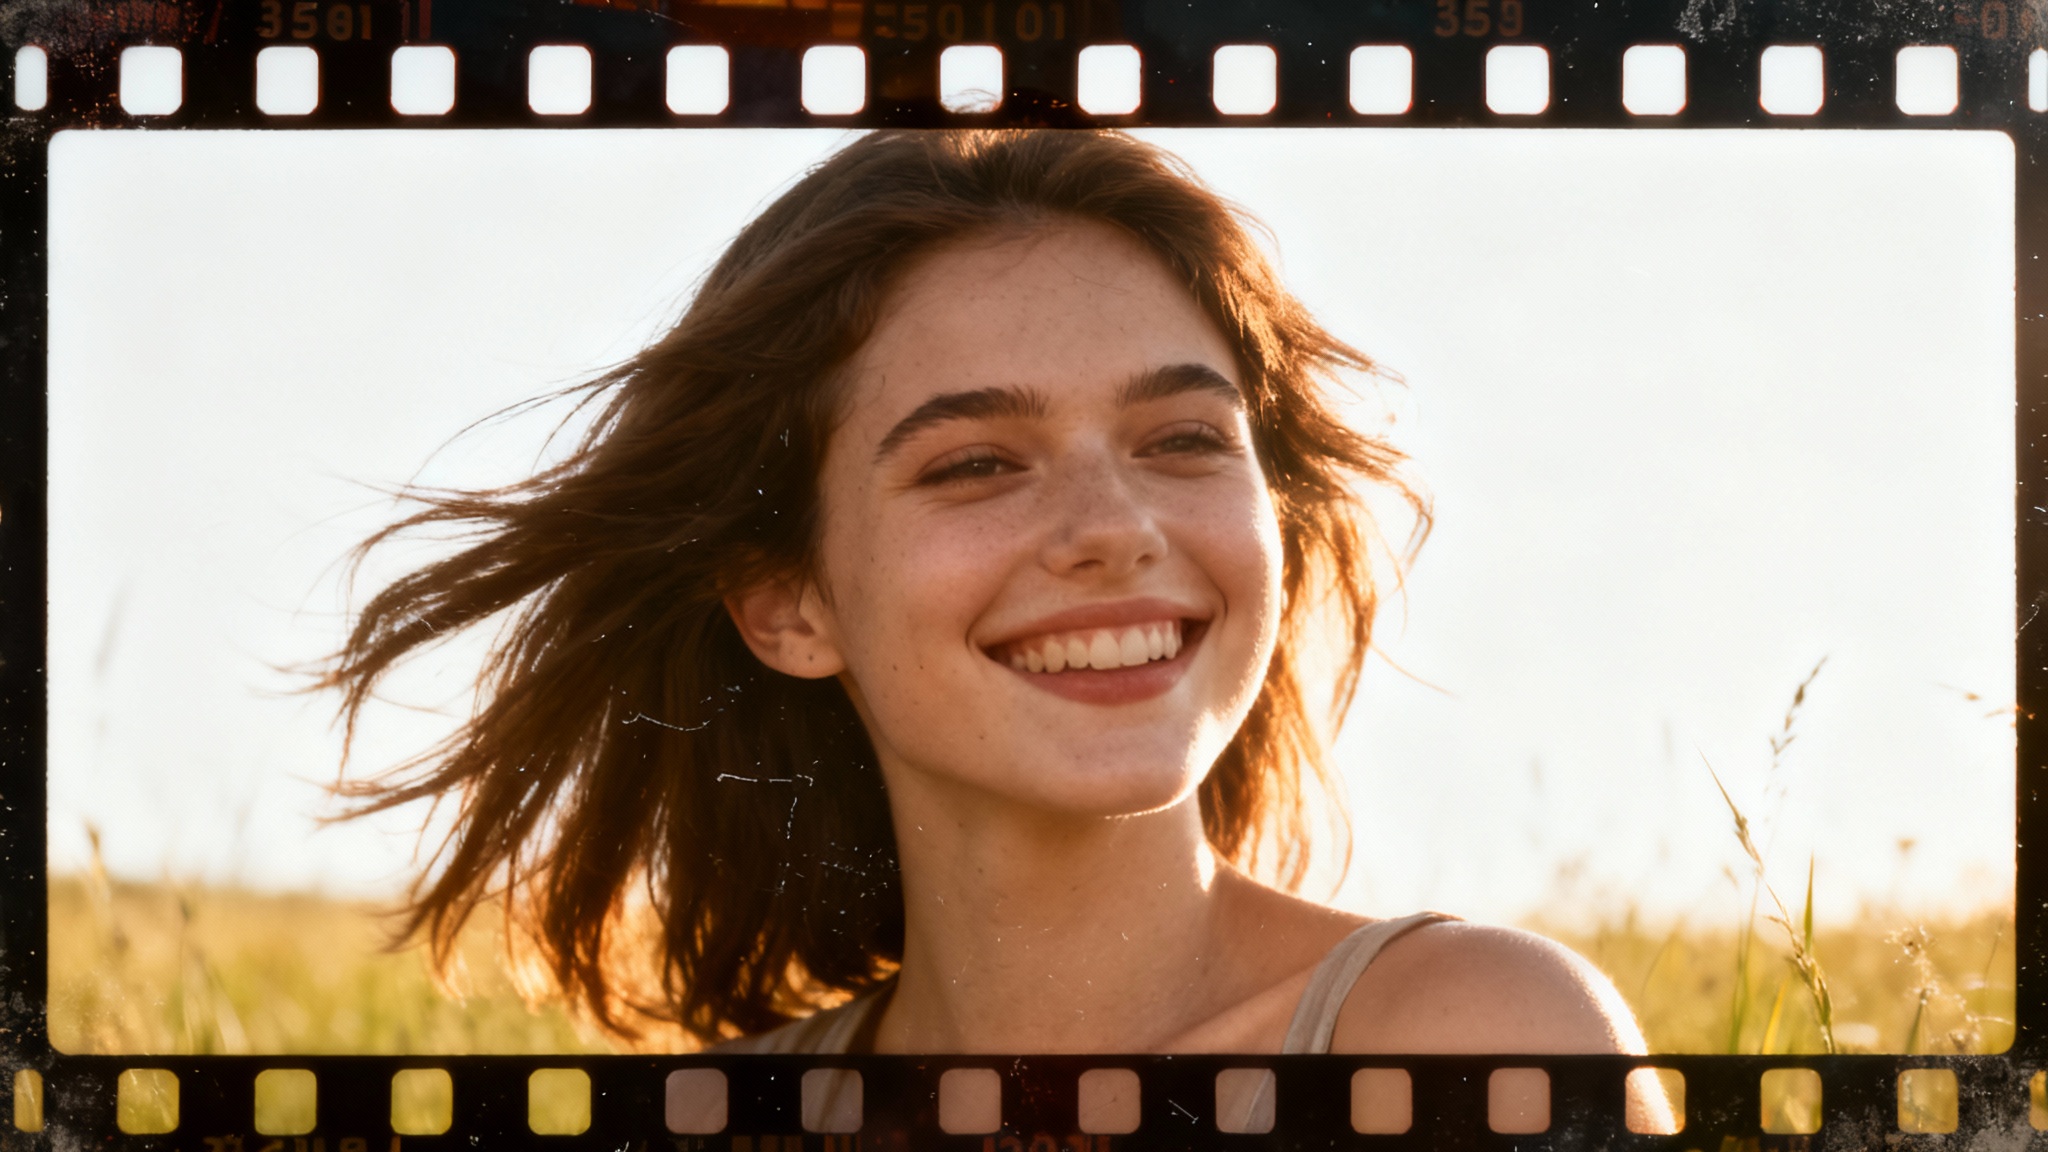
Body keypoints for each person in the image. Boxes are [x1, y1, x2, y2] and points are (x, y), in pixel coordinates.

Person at [323, 130, 1651, 1076]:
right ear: (788, 603)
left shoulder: (1472, 1039)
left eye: (1183, 440)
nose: (1116, 531)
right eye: (977, 465)